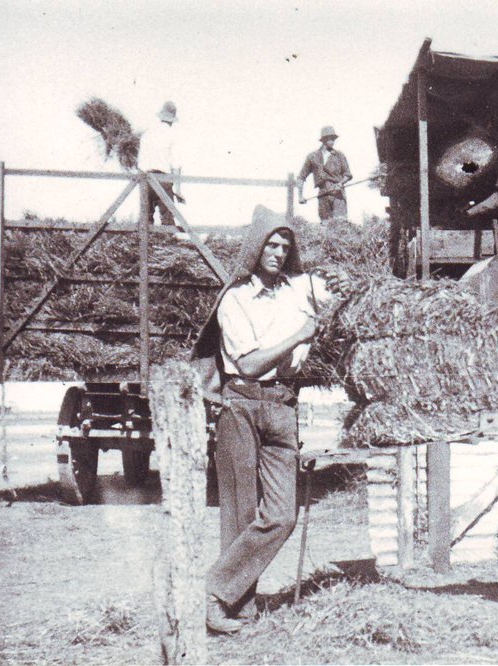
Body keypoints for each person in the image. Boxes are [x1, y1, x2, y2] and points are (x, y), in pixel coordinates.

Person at [191, 206, 349, 634]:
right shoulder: (235, 299)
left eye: (285, 245)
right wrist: (299, 335)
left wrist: (345, 284)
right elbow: (249, 365)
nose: (278, 252)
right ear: (255, 248)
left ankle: (210, 590)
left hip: (283, 408)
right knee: (240, 514)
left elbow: (343, 297)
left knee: (282, 515)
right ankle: (233, 611)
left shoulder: (302, 289)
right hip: (241, 405)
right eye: (271, 244)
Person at [138, 101, 183, 226]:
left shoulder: (147, 134)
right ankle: (167, 241)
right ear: (172, 120)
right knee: (167, 218)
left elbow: (140, 162)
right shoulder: (172, 135)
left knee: (146, 218)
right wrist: (178, 190)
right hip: (163, 179)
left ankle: (146, 243)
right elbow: (176, 164)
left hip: (145, 178)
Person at [297, 125, 352, 223]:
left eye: (333, 138)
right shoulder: (312, 157)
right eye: (330, 138)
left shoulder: (339, 155)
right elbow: (301, 177)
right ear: (323, 140)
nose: (332, 141)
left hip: (338, 194)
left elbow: (347, 175)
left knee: (341, 224)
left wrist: (340, 183)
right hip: (323, 194)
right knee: (325, 224)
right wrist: (300, 196)